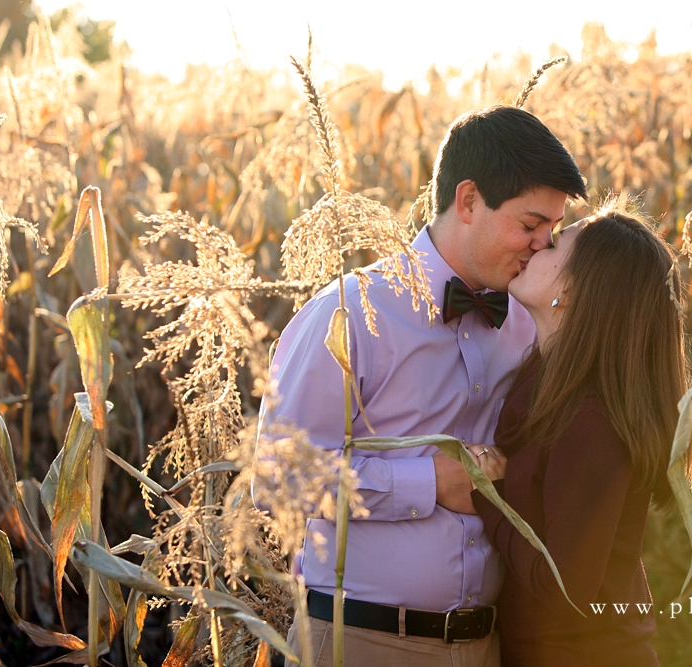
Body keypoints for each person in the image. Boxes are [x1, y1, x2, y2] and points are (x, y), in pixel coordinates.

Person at [256, 104, 587, 667]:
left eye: (552, 232)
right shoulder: (350, 313)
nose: (541, 245)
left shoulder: (528, 321)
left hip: (489, 646)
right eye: (530, 225)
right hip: (359, 642)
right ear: (468, 201)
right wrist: (426, 482)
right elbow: (278, 478)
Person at [467, 201, 692, 667]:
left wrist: (489, 499)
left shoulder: (590, 422)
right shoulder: (545, 383)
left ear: (572, 290)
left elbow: (568, 589)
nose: (537, 245)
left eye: (553, 244)